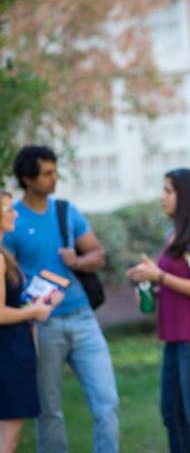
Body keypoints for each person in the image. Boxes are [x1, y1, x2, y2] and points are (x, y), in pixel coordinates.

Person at [2, 145, 119, 453]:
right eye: (47, 173)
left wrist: (78, 261)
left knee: (107, 403)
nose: (55, 178)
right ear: (28, 178)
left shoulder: (67, 211)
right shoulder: (11, 221)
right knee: (49, 410)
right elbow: (7, 279)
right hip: (43, 325)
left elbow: (98, 254)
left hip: (83, 318)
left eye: (55, 171)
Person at [127, 168, 190, 453]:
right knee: (172, 414)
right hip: (176, 336)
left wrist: (158, 276)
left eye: (168, 191)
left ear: (186, 196)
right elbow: (173, 281)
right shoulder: (176, 234)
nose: (162, 197)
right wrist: (152, 287)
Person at [0, 190, 62, 453]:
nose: (14, 213)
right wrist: (34, 313)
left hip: (13, 348)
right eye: (7, 209)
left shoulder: (4, 253)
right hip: (7, 353)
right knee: (7, 436)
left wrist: (41, 301)